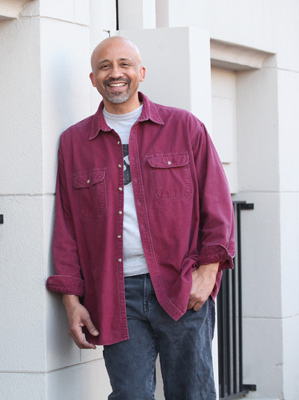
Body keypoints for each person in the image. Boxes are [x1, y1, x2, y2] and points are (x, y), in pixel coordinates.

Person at [46, 36, 235, 399]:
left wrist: (208, 274)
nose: (115, 73)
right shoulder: (74, 143)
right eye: (105, 66)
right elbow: (67, 227)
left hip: (181, 287)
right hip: (116, 295)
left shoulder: (184, 127)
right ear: (92, 79)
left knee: (192, 393)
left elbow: (217, 204)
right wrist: (72, 301)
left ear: (141, 73)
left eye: (124, 64)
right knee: (130, 394)